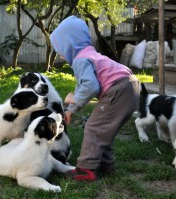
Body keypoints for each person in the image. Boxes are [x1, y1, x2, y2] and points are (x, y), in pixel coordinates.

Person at [50, 15, 140, 181]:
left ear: (70, 44)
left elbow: (90, 87)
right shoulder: (90, 54)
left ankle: (86, 169)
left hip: (119, 89)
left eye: (60, 49)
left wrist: (74, 98)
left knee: (93, 127)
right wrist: (71, 110)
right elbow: (84, 84)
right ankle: (106, 165)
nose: (60, 55)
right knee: (106, 130)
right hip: (132, 86)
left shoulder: (80, 60)